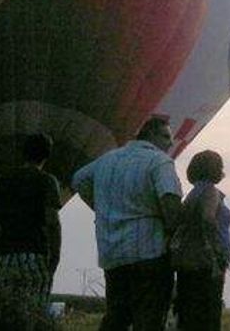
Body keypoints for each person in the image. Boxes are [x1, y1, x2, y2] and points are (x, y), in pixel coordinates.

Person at [72, 116, 183, 331]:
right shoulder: (159, 161)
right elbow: (170, 200)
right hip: (150, 252)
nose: (171, 143)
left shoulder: (107, 159)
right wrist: (172, 232)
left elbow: (79, 179)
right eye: (166, 136)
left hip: (113, 253)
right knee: (149, 317)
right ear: (150, 135)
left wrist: (101, 207)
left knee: (117, 315)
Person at [0, 132, 62, 330]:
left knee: (6, 317)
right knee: (34, 316)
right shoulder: (47, 181)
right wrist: (55, 256)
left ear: (23, 153)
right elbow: (52, 222)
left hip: (6, 259)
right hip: (34, 256)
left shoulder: (4, 180)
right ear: (46, 156)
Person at [173, 150, 230, 331]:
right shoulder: (210, 191)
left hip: (188, 261)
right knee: (209, 314)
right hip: (207, 263)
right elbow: (208, 217)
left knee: (189, 315)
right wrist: (216, 251)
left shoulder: (192, 194)